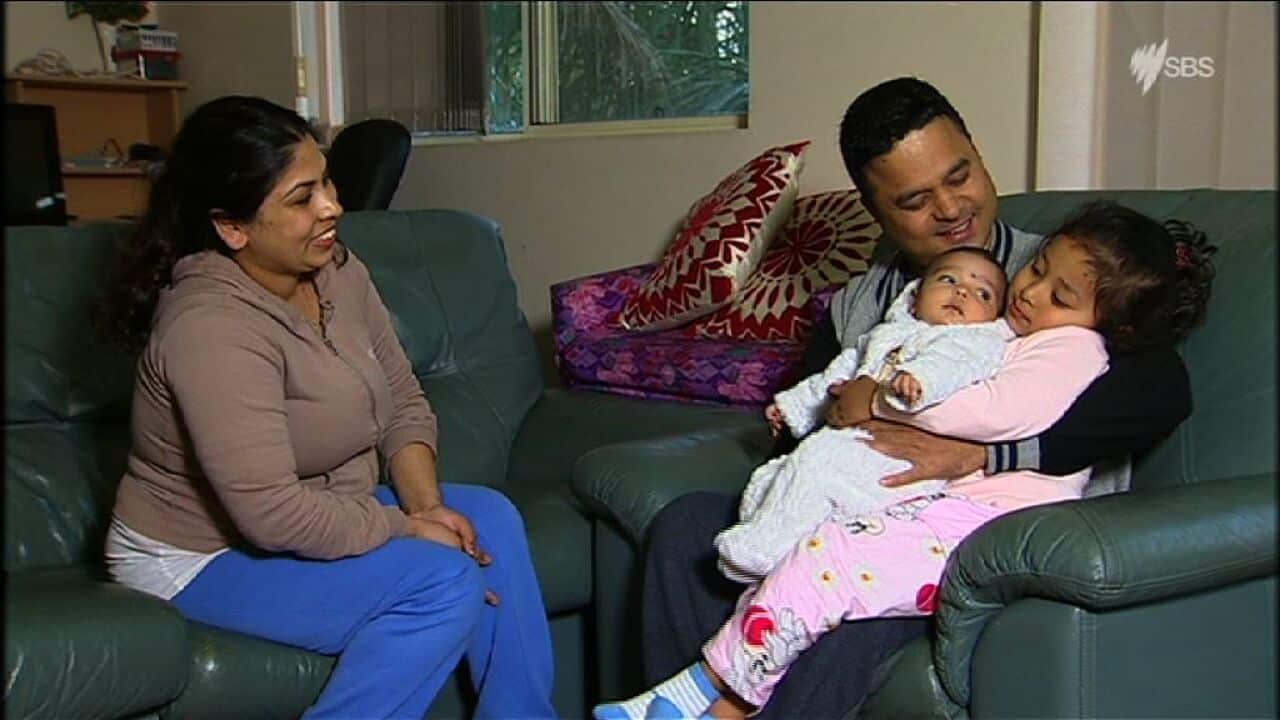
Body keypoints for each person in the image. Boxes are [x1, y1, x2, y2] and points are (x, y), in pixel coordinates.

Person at [641, 77, 1197, 719]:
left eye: (960, 176)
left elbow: (1163, 391)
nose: (951, 209)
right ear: (876, 212)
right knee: (686, 527)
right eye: (915, 200)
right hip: (863, 507)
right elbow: (812, 427)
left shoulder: (1057, 278)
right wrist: (823, 421)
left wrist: (982, 454)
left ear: (979, 155)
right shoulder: (857, 309)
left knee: (845, 613)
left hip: (978, 532)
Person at [96, 96, 558, 720]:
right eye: (301, 198)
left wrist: (426, 506)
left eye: (327, 183)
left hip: (321, 505)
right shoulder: (210, 329)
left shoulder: (336, 268)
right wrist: (405, 529)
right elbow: (271, 515)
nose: (332, 207)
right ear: (232, 228)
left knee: (490, 519)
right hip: (200, 554)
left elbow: (402, 399)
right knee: (443, 582)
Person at [716, 247, 1012, 583]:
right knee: (774, 477)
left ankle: (762, 552)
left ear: (994, 317)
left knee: (818, 466)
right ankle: (765, 543)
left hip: (898, 456)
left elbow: (957, 364)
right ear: (915, 296)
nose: (962, 292)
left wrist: (922, 378)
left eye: (983, 293)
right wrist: (794, 407)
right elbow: (838, 374)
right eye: (948, 279)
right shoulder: (884, 335)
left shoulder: (975, 341)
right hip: (850, 439)